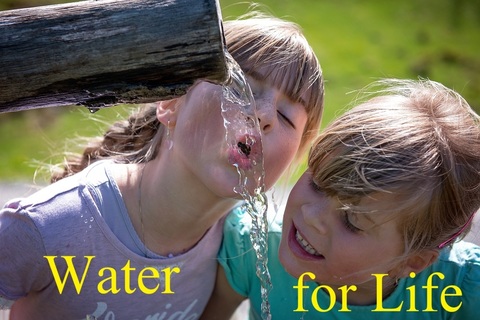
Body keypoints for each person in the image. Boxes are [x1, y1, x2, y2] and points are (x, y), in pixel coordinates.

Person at [0, 13, 324, 319]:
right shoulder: (53, 224)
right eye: (243, 89)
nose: (264, 115)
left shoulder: (238, 249)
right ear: (170, 104)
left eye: (286, 117)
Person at [202, 78, 480, 320]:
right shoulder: (253, 249)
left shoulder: (461, 291)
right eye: (318, 183)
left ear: (413, 262)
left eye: (351, 220)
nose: (312, 215)